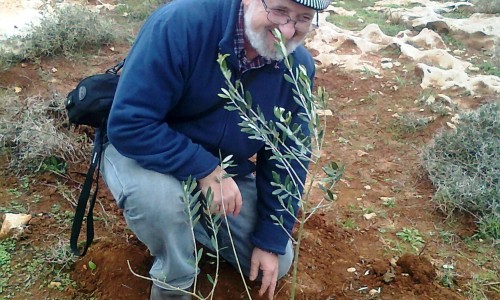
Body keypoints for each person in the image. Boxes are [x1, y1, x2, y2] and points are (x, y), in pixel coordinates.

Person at [101, 0, 330, 299]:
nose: (288, 30)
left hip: (224, 167)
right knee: (164, 205)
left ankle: (190, 224)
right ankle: (175, 283)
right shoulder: (180, 24)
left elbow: (289, 155)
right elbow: (130, 123)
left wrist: (271, 238)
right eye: (279, 11)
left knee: (278, 260)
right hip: (148, 153)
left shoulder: (297, 66)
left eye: (303, 18)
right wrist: (204, 168)